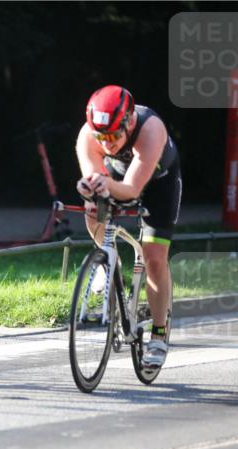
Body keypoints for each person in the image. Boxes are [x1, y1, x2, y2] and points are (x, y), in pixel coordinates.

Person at [75, 85, 181, 368]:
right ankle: (108, 263)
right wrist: (90, 186)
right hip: (118, 176)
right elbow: (95, 176)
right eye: (101, 137)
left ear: (129, 122)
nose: (107, 144)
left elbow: (132, 189)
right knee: (92, 204)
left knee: (154, 258)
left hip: (158, 183)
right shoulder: (89, 134)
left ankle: (159, 335)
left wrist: (105, 183)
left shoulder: (150, 129)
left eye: (113, 136)